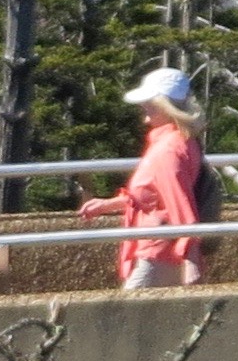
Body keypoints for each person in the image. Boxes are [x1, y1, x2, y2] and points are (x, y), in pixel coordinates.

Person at [81, 65, 210, 288]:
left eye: (149, 103)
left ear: (163, 105)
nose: (144, 107)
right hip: (159, 246)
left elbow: (179, 203)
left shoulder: (168, 149)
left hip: (159, 250)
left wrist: (190, 258)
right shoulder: (176, 141)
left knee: (127, 315)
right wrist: (110, 204)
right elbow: (157, 196)